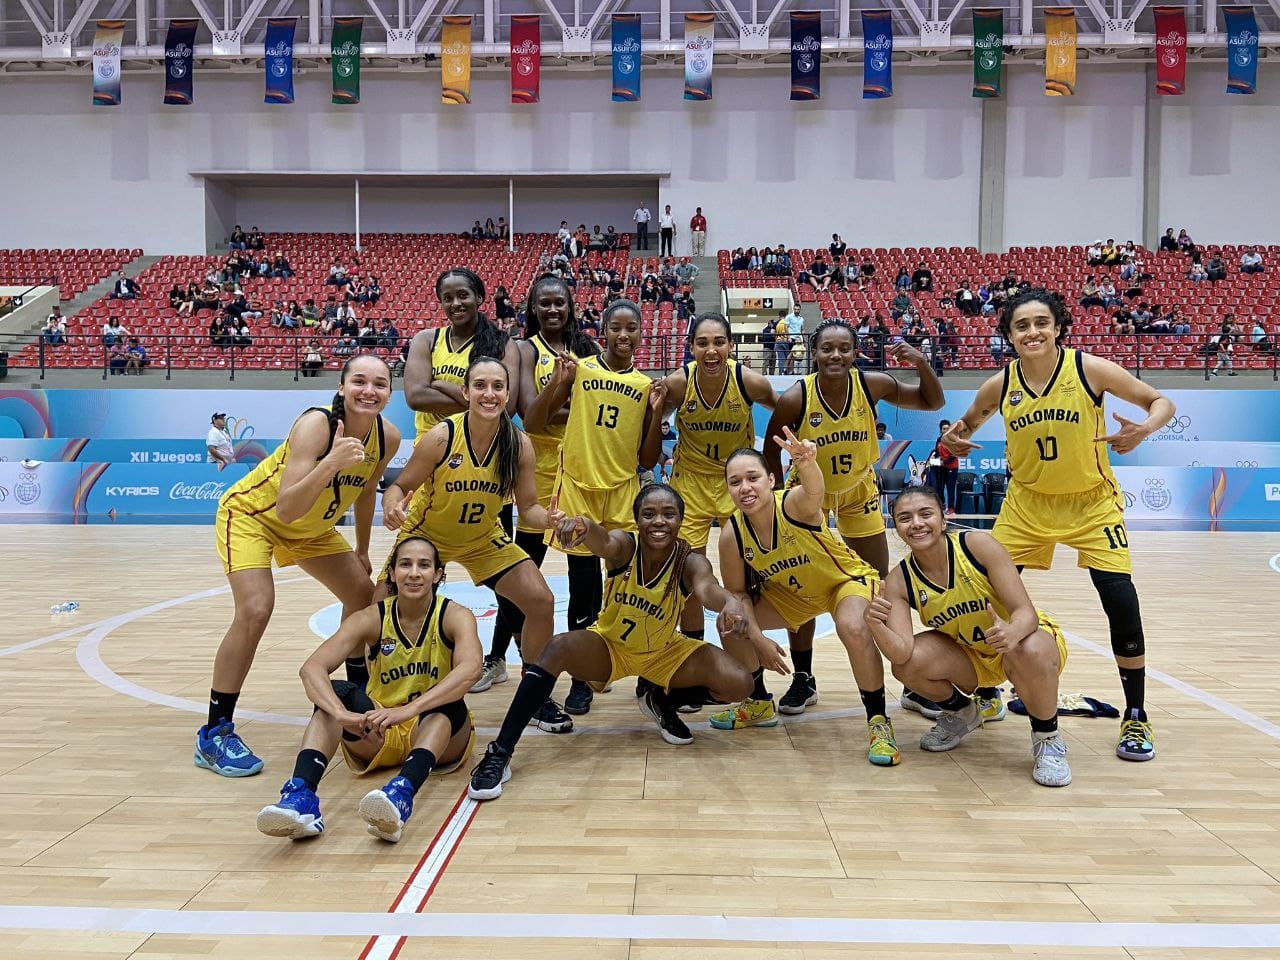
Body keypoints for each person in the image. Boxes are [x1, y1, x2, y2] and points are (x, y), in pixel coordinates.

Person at [942, 288, 1175, 761]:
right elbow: (966, 423)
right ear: (1009, 335)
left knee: (1120, 599)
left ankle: (1136, 715)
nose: (1033, 331)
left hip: (1092, 504)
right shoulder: (1000, 384)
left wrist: (1144, 428)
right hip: (1026, 505)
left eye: (1041, 322)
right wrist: (956, 437)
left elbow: (1159, 401)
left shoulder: (1089, 369)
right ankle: (985, 694)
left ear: (1059, 327)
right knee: (983, 597)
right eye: (1022, 325)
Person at [468, 485, 789, 800]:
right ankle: (500, 752)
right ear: (637, 521)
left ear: (680, 520)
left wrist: (729, 603)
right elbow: (604, 541)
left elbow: (707, 590)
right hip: (611, 648)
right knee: (558, 648)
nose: (659, 521)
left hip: (664, 652)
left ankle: (662, 701)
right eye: (649, 514)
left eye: (668, 514)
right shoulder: (627, 546)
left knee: (740, 683)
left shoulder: (689, 561)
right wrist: (585, 526)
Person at [197, 356, 400, 776]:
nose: (369, 390)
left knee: (362, 595)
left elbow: (364, 494)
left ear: (389, 394)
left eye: (379, 384)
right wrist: (331, 463)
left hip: (313, 527)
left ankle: (358, 692)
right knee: (255, 609)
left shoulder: (388, 437)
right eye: (359, 381)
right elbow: (287, 508)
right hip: (255, 516)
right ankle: (215, 731)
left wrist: (362, 549)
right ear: (342, 387)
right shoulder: (316, 425)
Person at [761, 320, 944, 722]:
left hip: (859, 490)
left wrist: (921, 364)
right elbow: (771, 450)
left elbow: (932, 402)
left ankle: (912, 682)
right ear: (814, 352)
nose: (836, 356)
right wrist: (777, 503)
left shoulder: (872, 385)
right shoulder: (796, 398)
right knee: (802, 585)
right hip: (809, 495)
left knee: (878, 584)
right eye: (827, 348)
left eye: (844, 348)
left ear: (855, 352)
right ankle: (804, 677)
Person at [381, 357, 567, 732]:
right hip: (428, 535)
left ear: (507, 394)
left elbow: (528, 508)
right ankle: (379, 688)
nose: (489, 393)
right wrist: (390, 504)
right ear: (466, 392)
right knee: (380, 608)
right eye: (480, 385)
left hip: (483, 537)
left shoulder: (518, 444)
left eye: (498, 386)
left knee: (541, 601)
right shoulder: (441, 437)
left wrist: (548, 520)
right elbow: (401, 485)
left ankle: (534, 692)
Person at [256, 537, 481, 842]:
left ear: (438, 574)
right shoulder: (370, 618)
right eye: (405, 564)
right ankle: (302, 796)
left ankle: (402, 793)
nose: (414, 573)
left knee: (446, 703)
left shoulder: (456, 615)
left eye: (424, 565)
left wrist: (410, 709)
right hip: (378, 731)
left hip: (438, 736)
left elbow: (470, 669)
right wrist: (341, 714)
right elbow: (312, 668)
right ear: (391, 573)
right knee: (335, 693)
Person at [866, 487, 1072, 786]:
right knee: (908, 665)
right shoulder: (898, 580)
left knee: (1031, 649)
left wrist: (1012, 632)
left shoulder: (977, 545)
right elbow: (900, 654)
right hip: (972, 657)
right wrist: (875, 625)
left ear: (943, 518)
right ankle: (962, 713)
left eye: (926, 514)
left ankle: (1047, 737)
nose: (917, 523)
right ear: (896, 528)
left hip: (1022, 642)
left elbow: (1024, 612)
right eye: (905, 518)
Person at [524, 299, 666, 716]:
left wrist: (657, 414)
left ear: (641, 333)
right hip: (578, 490)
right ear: (602, 331)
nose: (624, 336)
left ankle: (635, 666)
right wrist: (557, 383)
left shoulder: (644, 386)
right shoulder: (580, 368)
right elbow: (534, 423)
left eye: (632, 329)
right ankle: (582, 678)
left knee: (625, 586)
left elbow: (647, 459)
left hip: (622, 491)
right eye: (616, 328)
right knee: (582, 587)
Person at [717, 441, 898, 765]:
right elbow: (737, 595)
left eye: (752, 477)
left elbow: (814, 492)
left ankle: (879, 722)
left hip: (844, 581)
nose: (744, 487)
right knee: (729, 620)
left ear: (771, 480)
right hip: (796, 595)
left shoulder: (792, 504)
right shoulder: (732, 533)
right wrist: (758, 639)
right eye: (735, 481)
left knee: (852, 626)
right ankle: (758, 702)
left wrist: (807, 463)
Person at [480, 275, 601, 693]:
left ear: (571, 307)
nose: (552, 310)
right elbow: (528, 414)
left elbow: (602, 408)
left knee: (584, 572)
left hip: (582, 471)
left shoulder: (589, 350)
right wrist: (564, 391)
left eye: (560, 303)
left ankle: (582, 675)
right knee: (520, 570)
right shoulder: (523, 349)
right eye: (544, 303)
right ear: (532, 308)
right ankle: (497, 657)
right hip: (537, 472)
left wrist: (560, 407)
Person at [657, 313, 777, 641]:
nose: (711, 350)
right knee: (690, 571)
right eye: (702, 343)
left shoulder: (749, 382)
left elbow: (784, 414)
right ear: (691, 348)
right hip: (690, 482)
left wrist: (777, 466)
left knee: (745, 573)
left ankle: (748, 647)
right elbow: (655, 420)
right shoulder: (679, 383)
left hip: (735, 484)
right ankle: (694, 649)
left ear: (731, 346)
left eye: (719, 342)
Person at [403, 268, 520, 442]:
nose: (456, 303)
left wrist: (440, 384)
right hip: (430, 445)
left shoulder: (502, 344)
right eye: (448, 298)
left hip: (479, 444)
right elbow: (416, 397)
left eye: (463, 295)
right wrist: (482, 405)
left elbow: (506, 408)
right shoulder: (426, 340)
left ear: (479, 297)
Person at [929, 419, 960, 516]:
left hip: (952, 467)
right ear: (941, 430)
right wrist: (935, 457)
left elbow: (954, 454)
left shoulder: (954, 439)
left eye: (947, 428)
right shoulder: (939, 440)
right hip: (941, 467)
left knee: (950, 488)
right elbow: (937, 451)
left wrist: (944, 462)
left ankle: (951, 508)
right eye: (944, 429)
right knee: (940, 487)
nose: (946, 430)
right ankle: (942, 505)